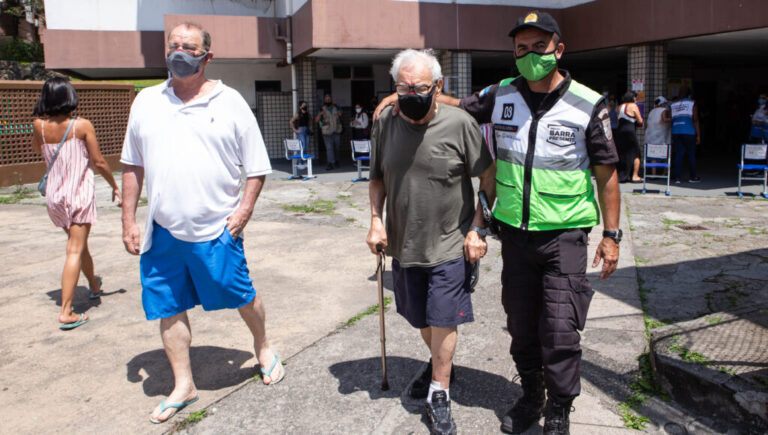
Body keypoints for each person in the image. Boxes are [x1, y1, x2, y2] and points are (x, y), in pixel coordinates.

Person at [375, 10, 621, 435]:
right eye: (521, 48)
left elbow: (607, 174)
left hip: (564, 235)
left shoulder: (588, 102)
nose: (529, 55)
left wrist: (612, 235)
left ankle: (560, 409)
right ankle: (532, 395)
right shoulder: (503, 93)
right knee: (521, 326)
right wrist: (406, 95)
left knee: (560, 330)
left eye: (538, 47)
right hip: (516, 237)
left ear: (558, 50)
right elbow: (454, 102)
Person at [120, 22, 284, 424]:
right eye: (173, 45)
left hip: (217, 229)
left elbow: (257, 167)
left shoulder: (230, 102)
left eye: (189, 47)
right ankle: (183, 385)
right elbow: (132, 165)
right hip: (162, 231)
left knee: (239, 293)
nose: (179, 52)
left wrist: (242, 213)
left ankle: (263, 346)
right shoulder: (146, 101)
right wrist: (128, 220)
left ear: (207, 57)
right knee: (168, 306)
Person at [366, 49, 494, 435]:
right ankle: (443, 364)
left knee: (442, 318)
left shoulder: (460, 124)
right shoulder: (385, 123)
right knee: (420, 318)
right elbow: (377, 178)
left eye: (419, 87)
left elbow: (488, 179)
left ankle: (440, 390)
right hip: (404, 243)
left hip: (451, 243)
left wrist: (478, 227)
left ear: (437, 87)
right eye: (402, 87)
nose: (411, 94)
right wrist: (375, 220)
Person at [31, 77, 122, 330]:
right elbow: (99, 162)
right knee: (74, 249)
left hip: (55, 196)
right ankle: (66, 312)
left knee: (78, 245)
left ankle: (94, 284)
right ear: (69, 96)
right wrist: (114, 186)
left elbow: (38, 149)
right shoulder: (81, 125)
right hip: (77, 194)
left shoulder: (38, 126)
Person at [669, 87, 701, 183]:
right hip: (689, 131)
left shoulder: (673, 104)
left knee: (678, 154)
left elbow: (671, 118)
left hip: (676, 131)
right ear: (689, 94)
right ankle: (692, 177)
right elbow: (695, 119)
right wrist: (699, 135)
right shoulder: (692, 103)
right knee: (691, 154)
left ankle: (677, 177)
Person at [615, 91, 644, 183]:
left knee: (623, 153)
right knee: (636, 153)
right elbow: (640, 121)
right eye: (635, 97)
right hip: (630, 131)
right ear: (633, 97)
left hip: (620, 131)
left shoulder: (619, 107)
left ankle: (623, 175)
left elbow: (618, 121)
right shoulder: (633, 106)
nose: (636, 99)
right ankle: (635, 176)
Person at [644, 96, 671, 175]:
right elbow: (664, 119)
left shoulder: (652, 111)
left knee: (653, 154)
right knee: (666, 153)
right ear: (663, 104)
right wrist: (673, 119)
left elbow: (646, 124)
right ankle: (665, 172)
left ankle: (653, 173)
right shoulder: (663, 110)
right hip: (661, 136)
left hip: (650, 137)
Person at [315, 94, 343, 170]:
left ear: (331, 100)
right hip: (326, 132)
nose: (328, 101)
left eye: (329, 99)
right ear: (324, 101)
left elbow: (341, 115)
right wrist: (320, 114)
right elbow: (316, 120)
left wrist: (338, 111)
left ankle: (337, 160)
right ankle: (330, 163)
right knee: (329, 148)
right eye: (326, 100)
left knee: (336, 147)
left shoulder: (336, 107)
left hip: (337, 130)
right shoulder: (321, 109)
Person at [289, 100, 312, 168]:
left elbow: (310, 120)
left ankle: (304, 161)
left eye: (305, 105)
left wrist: (310, 128)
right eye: (303, 105)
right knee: (302, 145)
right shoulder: (298, 114)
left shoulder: (308, 114)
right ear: (300, 107)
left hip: (306, 129)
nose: (305, 107)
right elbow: (291, 121)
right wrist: (295, 130)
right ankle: (300, 161)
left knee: (306, 146)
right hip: (301, 129)